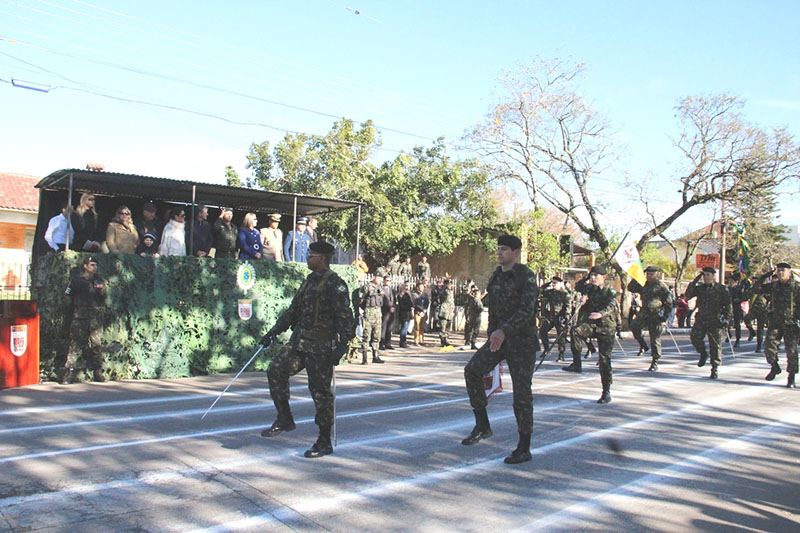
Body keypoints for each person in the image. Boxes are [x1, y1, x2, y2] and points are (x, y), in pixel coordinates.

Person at [260, 241, 356, 458]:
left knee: (320, 394)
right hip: (299, 343)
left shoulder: (335, 284)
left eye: (311, 254)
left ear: (322, 258)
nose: (307, 257)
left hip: (320, 348)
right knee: (275, 370)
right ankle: (285, 418)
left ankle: (324, 441)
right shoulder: (309, 282)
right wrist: (274, 332)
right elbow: (293, 310)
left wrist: (343, 345)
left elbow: (345, 317)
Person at [462, 234, 538, 464]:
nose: (499, 253)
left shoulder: (526, 276)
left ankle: (524, 447)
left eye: (504, 249)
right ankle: (482, 426)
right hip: (499, 340)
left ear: (516, 252)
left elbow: (527, 311)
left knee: (522, 394)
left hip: (522, 343)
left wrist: (504, 329)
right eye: (498, 249)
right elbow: (493, 308)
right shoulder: (496, 276)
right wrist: (493, 331)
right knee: (472, 371)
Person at [562, 266, 618, 403]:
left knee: (604, 360)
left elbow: (612, 304)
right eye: (591, 275)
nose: (593, 278)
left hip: (606, 327)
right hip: (591, 324)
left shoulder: (608, 290)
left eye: (595, 276)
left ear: (603, 278)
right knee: (575, 331)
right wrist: (586, 278)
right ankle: (577, 364)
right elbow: (578, 286)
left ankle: (606, 391)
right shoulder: (589, 289)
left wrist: (601, 313)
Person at [62, 255, 106, 384]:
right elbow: (67, 296)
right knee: (75, 344)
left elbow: (104, 297)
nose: (94, 267)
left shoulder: (99, 280)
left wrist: (101, 290)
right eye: (92, 265)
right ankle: (69, 372)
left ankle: (98, 372)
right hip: (79, 315)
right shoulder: (76, 280)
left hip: (95, 316)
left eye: (96, 265)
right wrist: (73, 308)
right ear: (85, 266)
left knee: (96, 344)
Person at [755, 263, 800, 388]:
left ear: (789, 272)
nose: (780, 273)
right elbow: (755, 289)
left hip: (791, 323)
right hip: (776, 322)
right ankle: (774, 367)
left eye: (783, 271)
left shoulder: (796, 287)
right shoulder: (774, 286)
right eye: (778, 271)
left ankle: (791, 377)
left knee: (791, 351)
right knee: (768, 345)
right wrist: (765, 275)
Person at [685, 266, 732, 380]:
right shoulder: (700, 288)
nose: (705, 277)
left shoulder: (721, 289)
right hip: (702, 318)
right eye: (704, 275)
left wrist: (726, 319)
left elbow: (728, 305)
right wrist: (695, 280)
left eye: (708, 275)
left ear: (713, 276)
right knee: (695, 337)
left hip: (715, 319)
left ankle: (714, 367)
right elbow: (688, 295)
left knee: (715, 345)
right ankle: (703, 353)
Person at [628, 266, 675, 371]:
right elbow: (630, 288)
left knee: (655, 339)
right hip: (644, 313)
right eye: (647, 274)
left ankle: (655, 361)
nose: (649, 276)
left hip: (656, 314)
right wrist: (637, 277)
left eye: (651, 274)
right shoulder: (643, 284)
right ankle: (643, 346)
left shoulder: (661, 286)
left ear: (657, 274)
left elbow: (669, 302)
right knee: (634, 326)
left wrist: (664, 317)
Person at [539, 276, 570, 362]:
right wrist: (547, 283)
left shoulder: (565, 294)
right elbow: (540, 291)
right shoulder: (550, 292)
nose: (553, 285)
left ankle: (561, 354)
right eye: (552, 283)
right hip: (551, 316)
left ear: (560, 283)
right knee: (542, 330)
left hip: (560, 316)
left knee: (561, 336)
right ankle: (546, 349)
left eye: (555, 283)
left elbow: (568, 307)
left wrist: (566, 318)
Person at [360, 275, 385, 364]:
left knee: (377, 335)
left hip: (378, 312)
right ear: (374, 277)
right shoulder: (367, 287)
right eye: (379, 278)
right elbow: (361, 298)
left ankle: (376, 356)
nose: (380, 280)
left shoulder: (380, 288)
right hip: (369, 312)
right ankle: (365, 358)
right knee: (367, 335)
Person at [727, 274, 747, 347]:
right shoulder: (727, 289)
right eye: (729, 281)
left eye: (732, 281)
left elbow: (744, 297)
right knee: (725, 322)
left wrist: (738, 300)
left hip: (736, 308)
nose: (730, 282)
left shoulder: (739, 289)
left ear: (736, 282)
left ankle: (738, 339)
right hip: (728, 308)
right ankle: (728, 334)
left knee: (737, 324)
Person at [463, 286, 484, 350]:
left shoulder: (471, 299)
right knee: (476, 330)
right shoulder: (476, 299)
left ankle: (468, 341)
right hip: (477, 316)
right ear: (476, 293)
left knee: (470, 329)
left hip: (471, 316)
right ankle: (473, 342)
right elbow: (480, 308)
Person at [380, 275, 396, 350]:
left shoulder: (392, 290)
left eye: (389, 280)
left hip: (391, 311)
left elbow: (394, 300)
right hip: (385, 310)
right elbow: (382, 301)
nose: (388, 282)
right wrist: (389, 307)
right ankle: (381, 343)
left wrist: (393, 307)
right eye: (387, 280)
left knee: (390, 327)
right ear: (384, 281)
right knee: (383, 327)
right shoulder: (381, 289)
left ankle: (388, 343)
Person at [438, 279, 455, 347]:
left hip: (450, 312)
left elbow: (452, 303)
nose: (450, 285)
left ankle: (446, 340)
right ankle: (442, 341)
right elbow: (442, 295)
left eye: (450, 284)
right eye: (449, 284)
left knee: (448, 328)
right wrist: (445, 287)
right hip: (444, 312)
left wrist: (453, 311)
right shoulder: (443, 290)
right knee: (443, 328)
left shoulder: (451, 292)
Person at [411, 282, 430, 346]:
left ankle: (421, 340)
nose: (422, 288)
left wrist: (425, 309)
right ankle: (416, 340)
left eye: (423, 287)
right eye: (421, 287)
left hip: (424, 312)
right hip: (418, 312)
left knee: (422, 327)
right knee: (417, 326)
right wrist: (421, 309)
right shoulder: (415, 294)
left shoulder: (425, 294)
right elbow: (415, 303)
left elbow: (427, 302)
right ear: (418, 288)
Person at [396, 283, 414, 348]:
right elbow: (401, 306)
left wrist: (411, 306)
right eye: (406, 288)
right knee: (404, 328)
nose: (407, 289)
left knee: (406, 328)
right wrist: (409, 307)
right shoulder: (400, 296)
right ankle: (402, 341)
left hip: (408, 313)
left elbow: (411, 303)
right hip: (404, 313)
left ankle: (404, 341)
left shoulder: (408, 295)